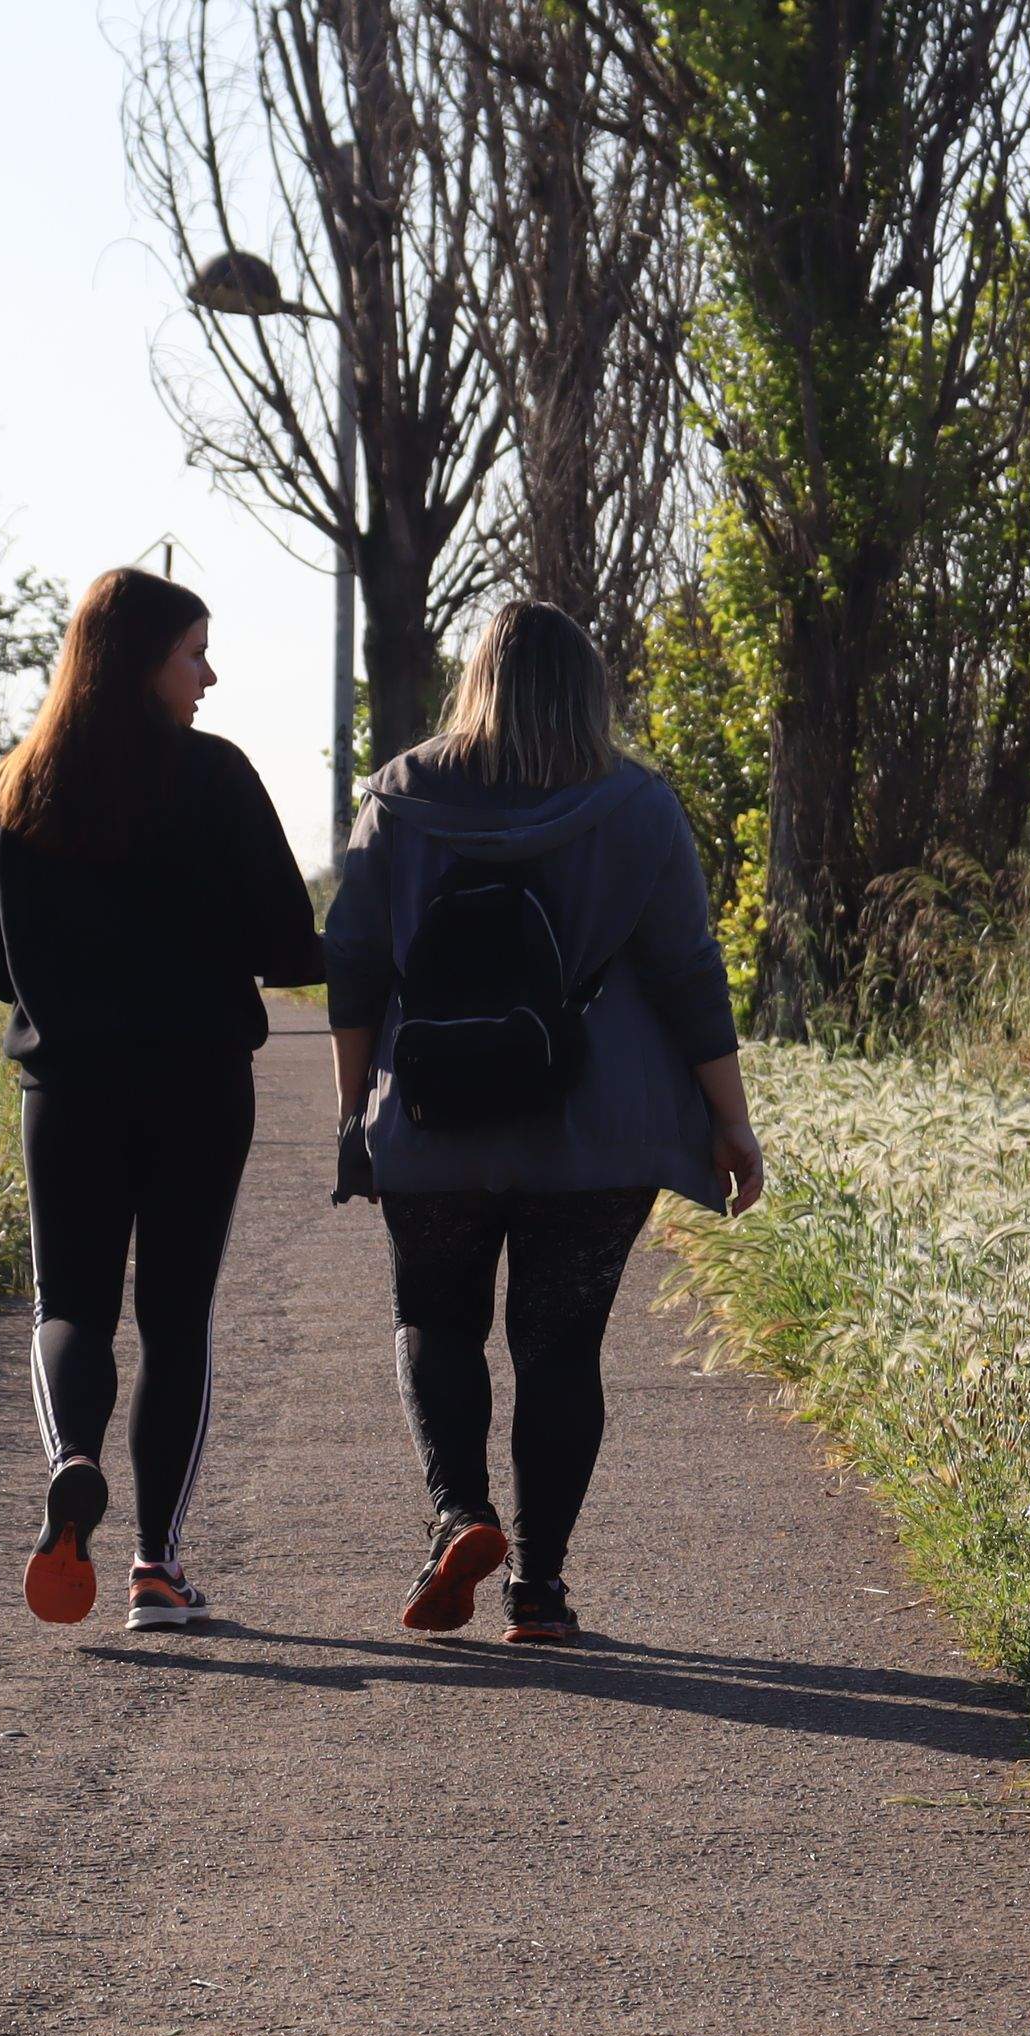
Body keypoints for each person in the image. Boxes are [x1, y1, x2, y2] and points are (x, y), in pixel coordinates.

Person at [325, 599, 766, 1647]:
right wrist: (731, 1120)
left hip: (437, 1113)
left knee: (437, 1321)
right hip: (595, 1124)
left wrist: (354, 1112)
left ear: (475, 678)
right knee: (561, 1349)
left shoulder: (399, 796)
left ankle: (459, 1513)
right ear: (590, 691)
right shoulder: (639, 806)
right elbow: (689, 973)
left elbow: (353, 963)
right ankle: (541, 1588)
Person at [0, 568, 324, 1631]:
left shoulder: (14, 789)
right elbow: (288, 944)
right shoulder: (214, 777)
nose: (209, 674)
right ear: (140, 660)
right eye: (193, 652)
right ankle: (156, 1566)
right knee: (176, 1319)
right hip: (199, 1084)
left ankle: (71, 1457)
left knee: (69, 1302)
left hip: (68, 1086)